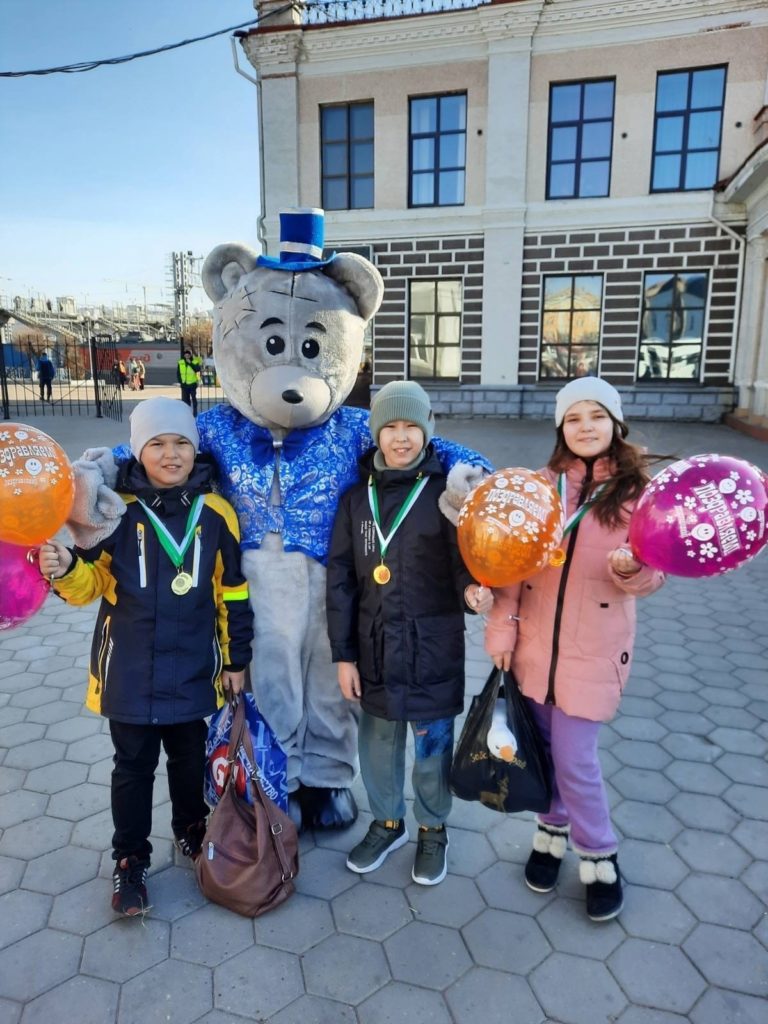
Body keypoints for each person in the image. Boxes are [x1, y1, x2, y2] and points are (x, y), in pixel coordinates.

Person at [38, 397, 254, 918]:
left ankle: (191, 828)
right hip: (129, 672)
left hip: (194, 669)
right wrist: (66, 568)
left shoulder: (218, 513)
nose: (171, 454)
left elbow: (232, 592)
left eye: (181, 443)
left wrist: (236, 660)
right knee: (132, 768)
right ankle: (131, 859)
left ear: (195, 449)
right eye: (157, 443)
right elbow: (90, 586)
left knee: (188, 758)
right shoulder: (115, 510)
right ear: (138, 450)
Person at [484, 377, 665, 922]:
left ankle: (600, 854)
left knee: (576, 759)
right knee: (542, 749)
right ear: (560, 428)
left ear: (616, 424)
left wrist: (633, 570)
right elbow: (510, 566)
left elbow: (656, 574)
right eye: (574, 418)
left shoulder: (637, 494)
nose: (586, 427)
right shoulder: (540, 486)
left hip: (594, 650)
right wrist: (502, 632)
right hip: (534, 647)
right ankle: (550, 832)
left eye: (596, 416)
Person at [326, 381, 491, 886]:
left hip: (432, 649)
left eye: (411, 427)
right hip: (373, 649)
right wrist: (344, 656)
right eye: (391, 427)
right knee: (378, 745)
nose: (401, 438)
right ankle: (387, 822)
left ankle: (433, 828)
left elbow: (465, 564)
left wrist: (472, 592)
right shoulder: (356, 500)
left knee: (432, 748)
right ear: (376, 434)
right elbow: (341, 581)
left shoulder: (447, 496)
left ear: (427, 430)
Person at [177, 347, 202, 415]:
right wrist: (180, 381)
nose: (187, 356)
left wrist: (190, 363)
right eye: (186, 354)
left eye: (188, 354)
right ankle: (187, 412)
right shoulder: (180, 362)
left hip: (192, 384)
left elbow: (197, 369)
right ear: (184, 355)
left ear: (190, 355)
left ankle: (195, 412)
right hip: (184, 384)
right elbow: (178, 373)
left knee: (193, 399)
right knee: (185, 400)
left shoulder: (194, 362)